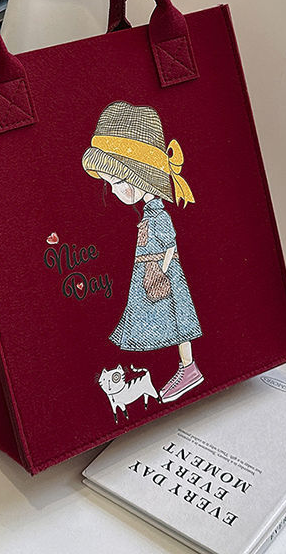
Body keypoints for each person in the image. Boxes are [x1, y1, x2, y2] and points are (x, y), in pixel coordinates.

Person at [82, 101, 203, 403]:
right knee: (168, 320)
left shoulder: (158, 214)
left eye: (118, 181)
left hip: (159, 273)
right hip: (151, 271)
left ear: (140, 176)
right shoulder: (149, 213)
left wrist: (160, 271)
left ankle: (188, 368)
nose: (114, 190)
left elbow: (171, 243)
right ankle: (184, 368)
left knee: (176, 319)